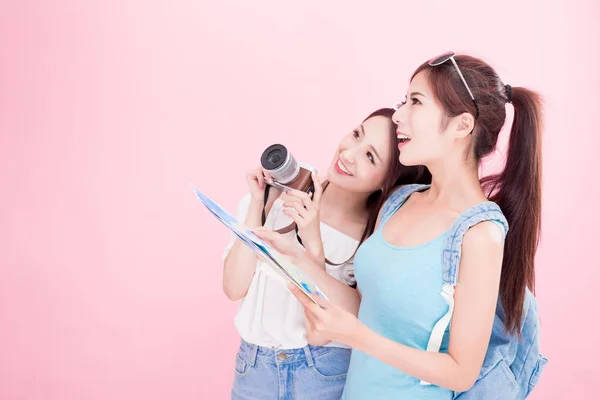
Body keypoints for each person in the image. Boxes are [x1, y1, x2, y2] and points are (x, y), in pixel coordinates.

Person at [257, 52, 543, 399]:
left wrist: (360, 338)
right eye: (404, 101)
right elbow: (366, 306)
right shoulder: (399, 201)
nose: (399, 116)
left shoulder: (480, 233)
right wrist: (292, 257)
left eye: (416, 102)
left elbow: (461, 372)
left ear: (461, 126)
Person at [223, 108, 431, 399]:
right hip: (253, 371)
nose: (349, 154)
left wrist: (313, 243)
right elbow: (233, 288)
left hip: (321, 375)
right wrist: (259, 204)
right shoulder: (283, 191)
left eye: (370, 156)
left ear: (387, 181)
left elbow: (318, 333)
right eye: (357, 134)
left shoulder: (372, 241)